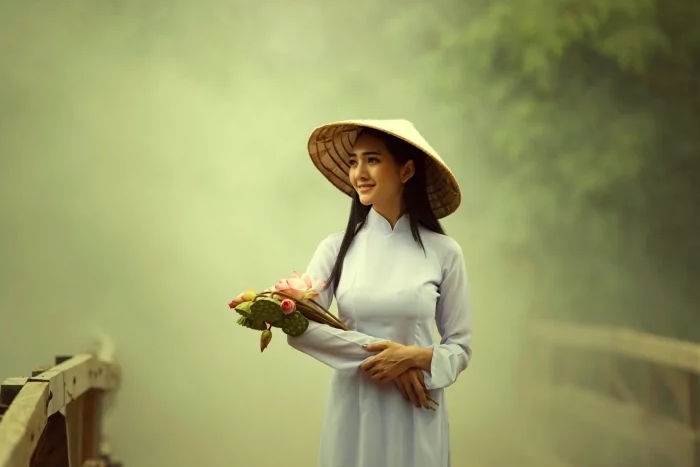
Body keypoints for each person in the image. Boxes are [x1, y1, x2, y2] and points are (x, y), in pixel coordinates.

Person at [287, 119, 473, 467]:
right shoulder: (336, 249)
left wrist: (413, 357)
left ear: (406, 171)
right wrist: (388, 360)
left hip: (416, 415)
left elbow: (460, 348)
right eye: (354, 161)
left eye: (372, 160)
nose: (359, 172)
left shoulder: (444, 253)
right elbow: (300, 328)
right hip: (353, 415)